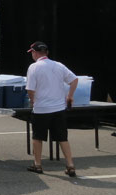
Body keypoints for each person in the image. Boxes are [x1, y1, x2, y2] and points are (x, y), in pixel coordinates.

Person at [25, 41, 78, 177]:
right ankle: (70, 164)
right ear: (46, 52)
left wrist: (32, 100)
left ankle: (38, 164)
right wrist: (70, 96)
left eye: (32, 53)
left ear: (35, 53)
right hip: (59, 108)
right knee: (62, 138)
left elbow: (30, 89)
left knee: (37, 137)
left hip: (41, 108)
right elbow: (74, 80)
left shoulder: (34, 67)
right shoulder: (59, 65)